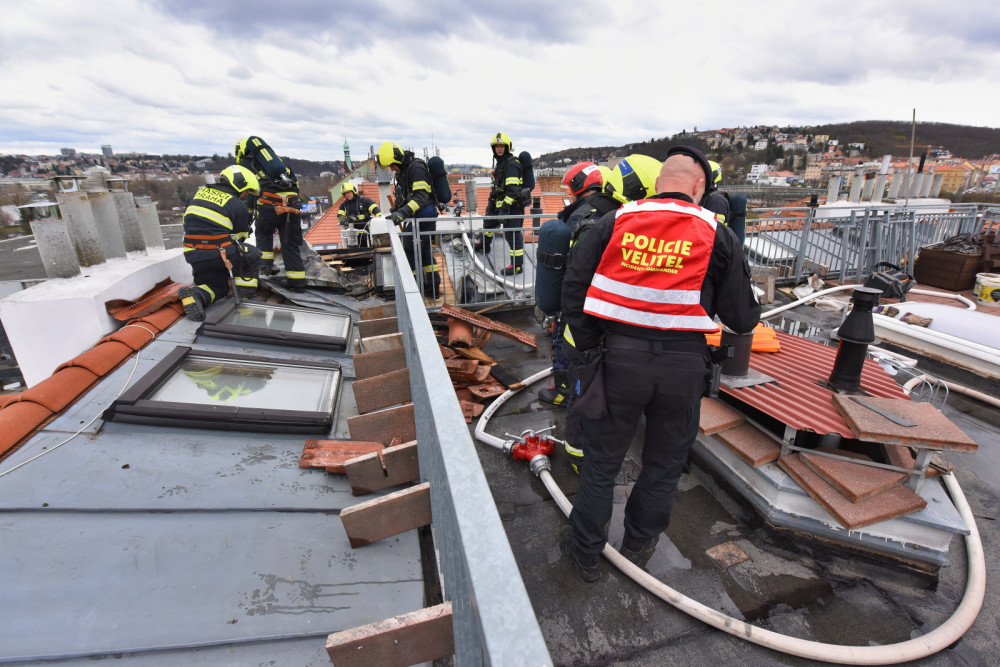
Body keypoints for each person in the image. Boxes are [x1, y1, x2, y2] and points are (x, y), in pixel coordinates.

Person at [559, 145, 761, 582]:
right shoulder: (717, 233)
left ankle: (585, 553)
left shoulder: (615, 221)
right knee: (664, 465)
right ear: (699, 186)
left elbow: (573, 288)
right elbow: (743, 319)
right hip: (683, 368)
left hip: (618, 361)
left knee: (601, 463)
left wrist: (593, 346)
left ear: (658, 182)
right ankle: (638, 545)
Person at [536, 162, 609, 407]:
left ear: (578, 185)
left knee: (565, 340)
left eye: (570, 187)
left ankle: (563, 391)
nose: (568, 193)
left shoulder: (579, 216)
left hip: (575, 294)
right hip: (600, 294)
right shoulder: (608, 210)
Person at [178, 165, 263, 322]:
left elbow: (187, 222)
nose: (246, 195)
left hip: (193, 254)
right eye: (247, 191)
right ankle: (246, 297)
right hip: (220, 254)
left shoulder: (197, 193)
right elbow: (239, 238)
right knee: (252, 254)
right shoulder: (237, 205)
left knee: (218, 287)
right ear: (239, 184)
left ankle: (196, 294)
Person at [235, 136, 307, 292]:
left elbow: (248, 195)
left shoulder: (245, 165)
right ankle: (298, 283)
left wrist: (246, 220)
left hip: (269, 205)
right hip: (292, 205)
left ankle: (265, 270)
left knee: (264, 233)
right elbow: (296, 186)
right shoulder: (280, 163)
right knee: (290, 243)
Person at [376, 141, 441, 296]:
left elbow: (420, 197)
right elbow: (410, 196)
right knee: (425, 251)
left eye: (392, 166)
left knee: (409, 250)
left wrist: (402, 213)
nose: (392, 169)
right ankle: (433, 289)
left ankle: (415, 290)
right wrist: (398, 209)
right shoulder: (407, 169)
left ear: (397, 160)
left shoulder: (416, 169)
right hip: (420, 215)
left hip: (424, 215)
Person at [479, 132, 526, 276]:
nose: (499, 149)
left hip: (513, 207)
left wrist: (504, 210)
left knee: (512, 235)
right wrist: (492, 205)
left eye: (502, 146)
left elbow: (513, 191)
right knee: (488, 222)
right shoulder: (501, 163)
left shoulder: (511, 164)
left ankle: (517, 266)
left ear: (507, 147)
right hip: (501, 205)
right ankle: (484, 245)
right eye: (496, 146)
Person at [337, 182, 381, 248]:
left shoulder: (365, 201)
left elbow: (376, 210)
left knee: (370, 248)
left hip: (366, 232)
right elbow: (340, 215)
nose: (347, 195)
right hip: (353, 234)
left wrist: (379, 220)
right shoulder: (344, 205)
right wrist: (342, 219)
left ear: (353, 191)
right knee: (354, 251)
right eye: (345, 193)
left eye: (348, 192)